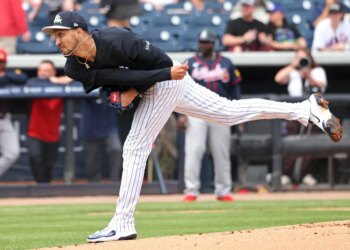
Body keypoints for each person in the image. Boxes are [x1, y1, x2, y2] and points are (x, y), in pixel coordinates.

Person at [42, 10, 342, 242]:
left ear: (79, 31)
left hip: (169, 79)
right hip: (160, 81)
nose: (56, 41)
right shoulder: (72, 66)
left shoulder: (118, 39)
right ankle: (305, 109)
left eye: (60, 34)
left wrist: (146, 82)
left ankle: (122, 223)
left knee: (134, 147)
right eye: (53, 35)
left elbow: (163, 65)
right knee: (228, 112)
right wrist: (121, 92)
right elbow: (114, 85)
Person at [178, 29, 242, 202]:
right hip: (196, 110)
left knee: (221, 152)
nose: (203, 45)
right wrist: (181, 114)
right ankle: (191, 190)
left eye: (206, 42)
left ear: (214, 44)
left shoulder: (226, 62)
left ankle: (223, 190)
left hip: (220, 110)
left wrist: (238, 112)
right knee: (194, 150)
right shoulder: (190, 63)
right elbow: (180, 90)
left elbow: (235, 90)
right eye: (201, 42)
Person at [274, 48, 328, 186]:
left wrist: (308, 75)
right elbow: (278, 79)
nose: (302, 61)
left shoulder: (317, 70)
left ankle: (306, 173)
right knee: (290, 141)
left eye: (304, 58)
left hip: (313, 109)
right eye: (299, 58)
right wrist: (293, 65)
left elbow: (321, 86)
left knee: (310, 142)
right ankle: (287, 173)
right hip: (294, 108)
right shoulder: (292, 71)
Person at [26, 60, 72, 183]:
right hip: (35, 132)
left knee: (49, 164)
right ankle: (40, 185)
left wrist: (65, 80)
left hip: (53, 134)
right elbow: (31, 83)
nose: (44, 73)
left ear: (53, 72)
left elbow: (78, 83)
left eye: (47, 71)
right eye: (41, 71)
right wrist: (55, 81)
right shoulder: (34, 83)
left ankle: (45, 187)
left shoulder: (61, 85)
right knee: (35, 157)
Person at [80, 98, 123, 182]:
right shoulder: (89, 86)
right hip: (91, 128)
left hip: (109, 128)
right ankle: (93, 182)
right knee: (91, 159)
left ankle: (114, 180)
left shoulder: (111, 87)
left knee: (116, 149)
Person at [0, 48, 26, 178]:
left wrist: (5, 75)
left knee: (12, 153)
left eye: (1, 62)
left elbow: (22, 78)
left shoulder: (10, 74)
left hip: (4, 118)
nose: (0, 65)